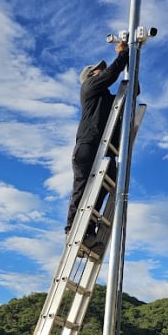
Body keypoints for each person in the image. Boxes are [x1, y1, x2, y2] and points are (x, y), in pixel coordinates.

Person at [65, 41, 130, 250]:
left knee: (104, 185)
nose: (101, 70)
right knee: (82, 187)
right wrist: (123, 54)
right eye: (98, 69)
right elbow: (111, 74)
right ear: (91, 75)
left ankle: (89, 230)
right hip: (87, 145)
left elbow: (126, 97)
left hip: (101, 148)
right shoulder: (88, 86)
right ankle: (72, 230)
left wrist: (132, 72)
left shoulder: (103, 98)